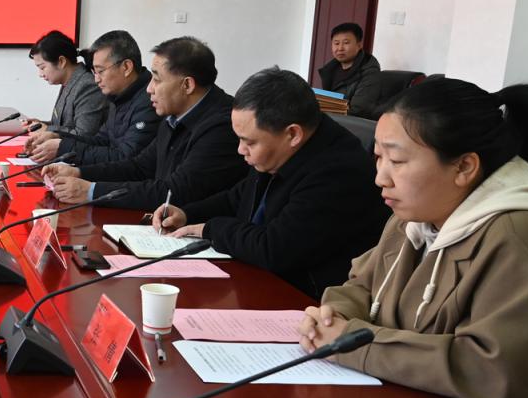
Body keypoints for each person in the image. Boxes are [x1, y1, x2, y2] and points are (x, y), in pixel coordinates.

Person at [298, 78, 528, 398]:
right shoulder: (413, 215)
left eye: (397, 161)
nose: (381, 177)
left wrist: (354, 344)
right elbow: (362, 285)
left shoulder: (520, 234)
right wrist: (333, 315)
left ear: (464, 167)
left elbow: (493, 374)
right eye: (378, 158)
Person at [153, 67, 390, 298]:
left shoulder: (339, 171)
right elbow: (239, 197)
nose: (240, 150)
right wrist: (187, 214)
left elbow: (274, 249)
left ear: (293, 134)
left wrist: (209, 229)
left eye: (249, 142)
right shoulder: (281, 150)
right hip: (260, 279)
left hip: (306, 299)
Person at [43, 36, 247, 209]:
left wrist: (91, 191)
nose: (149, 88)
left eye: (157, 80)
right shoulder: (174, 114)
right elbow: (140, 167)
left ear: (187, 85)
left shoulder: (221, 127)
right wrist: (80, 172)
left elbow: (174, 192)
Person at [26, 30, 159, 165]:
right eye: (94, 72)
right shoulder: (119, 95)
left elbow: (126, 158)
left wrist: (65, 149)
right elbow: (101, 140)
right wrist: (58, 136)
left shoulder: (149, 101)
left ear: (126, 67)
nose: (96, 79)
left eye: (100, 71)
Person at [21, 30, 107, 142]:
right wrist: (40, 125)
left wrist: (48, 129)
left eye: (42, 67)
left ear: (61, 61)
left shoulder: (88, 86)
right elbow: (63, 125)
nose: (40, 74)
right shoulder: (69, 82)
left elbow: (84, 134)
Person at [316, 22, 384, 118]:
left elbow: (358, 110)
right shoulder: (330, 69)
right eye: (336, 43)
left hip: (352, 122)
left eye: (346, 43)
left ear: (359, 45)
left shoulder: (370, 72)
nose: (340, 48)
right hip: (331, 117)